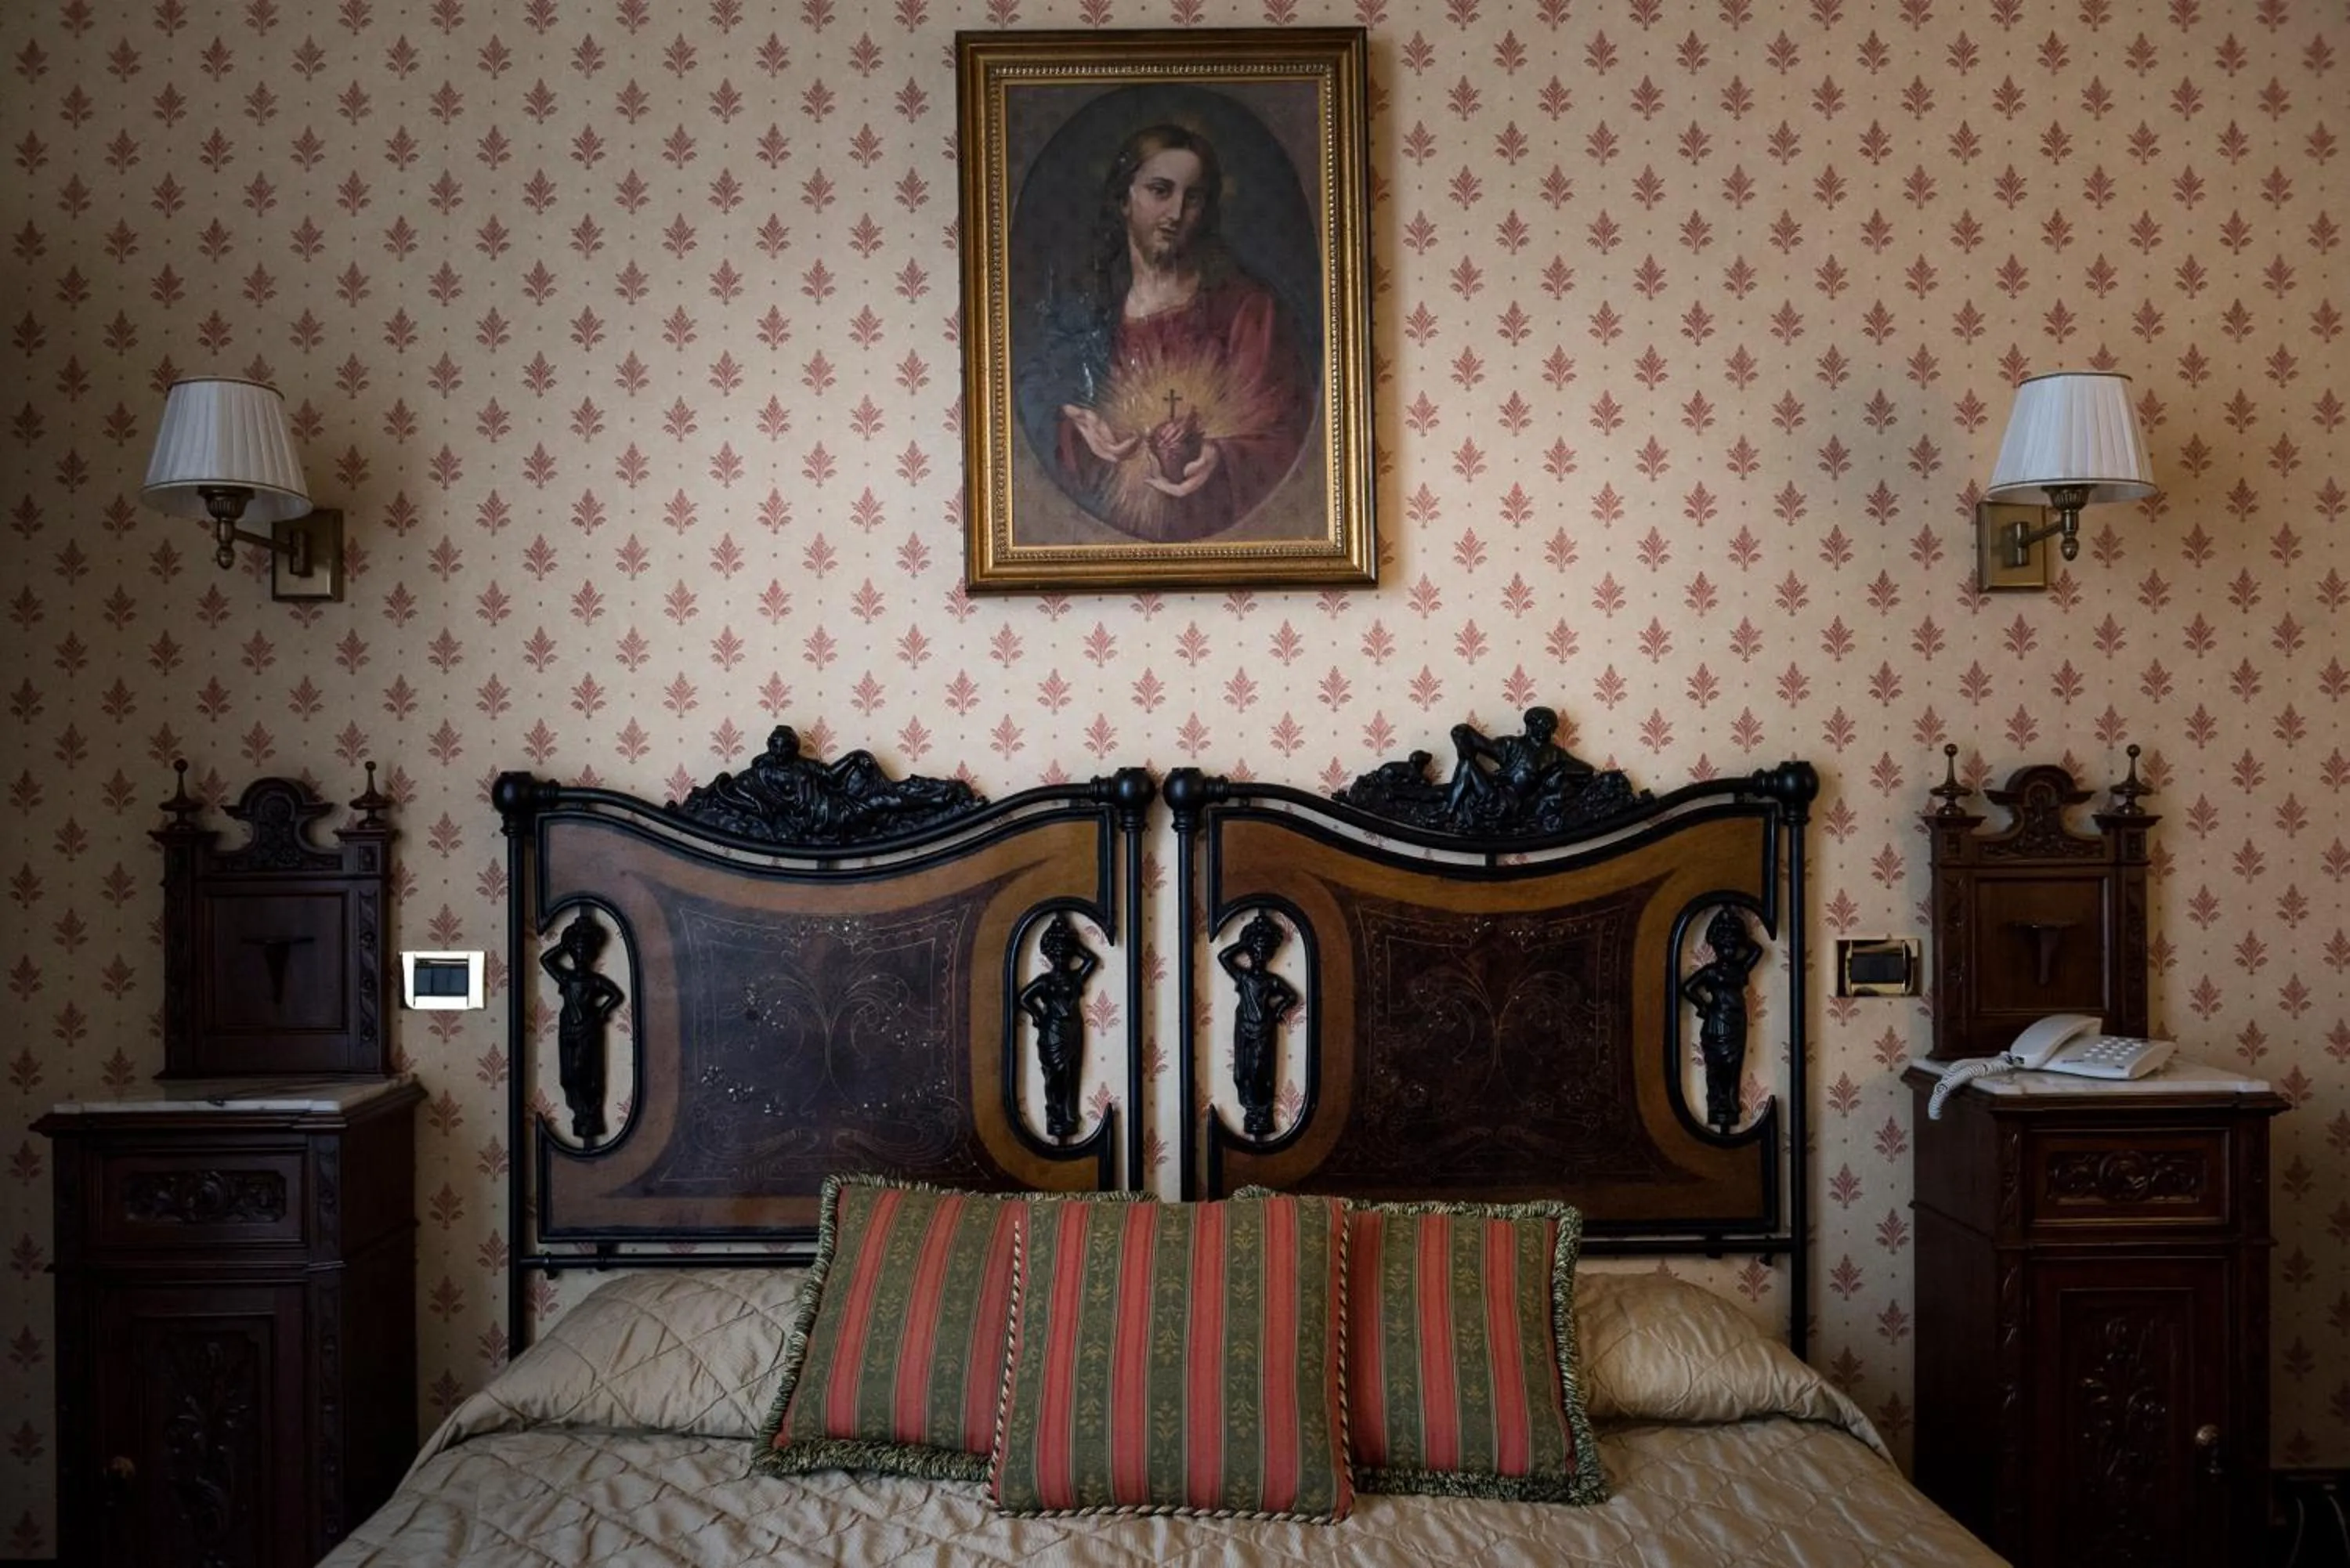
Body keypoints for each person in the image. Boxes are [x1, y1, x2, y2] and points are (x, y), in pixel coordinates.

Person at [1046, 124, 1312, 543]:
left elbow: (1287, 436)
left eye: (1194, 198)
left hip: (1220, 536)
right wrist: (1076, 426)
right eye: (1160, 190)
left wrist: (1219, 456)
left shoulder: (1246, 308)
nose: (1175, 213)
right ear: (1123, 199)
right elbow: (1048, 430)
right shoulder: (1091, 313)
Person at [541, 914, 624, 1142]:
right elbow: (546, 960)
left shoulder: (594, 980)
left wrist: (600, 1013)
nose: (579, 954)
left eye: (584, 950)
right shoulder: (567, 978)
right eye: (575, 949)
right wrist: (563, 944)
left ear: (592, 954)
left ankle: (589, 1116)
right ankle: (580, 1115)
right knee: (569, 1076)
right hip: (568, 1029)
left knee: (585, 1073)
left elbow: (615, 995)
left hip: (588, 1030)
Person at [1219, 910, 1299, 1140]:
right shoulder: (1243, 978)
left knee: (1260, 1070)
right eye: (1256, 949)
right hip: (1244, 1029)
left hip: (1264, 1030)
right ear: (1250, 950)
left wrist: (1276, 1013)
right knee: (1243, 1072)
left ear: (1271, 954)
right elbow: (1224, 957)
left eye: (1265, 951)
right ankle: (1252, 1113)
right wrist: (1243, 943)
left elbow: (1291, 997)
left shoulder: (1271, 980)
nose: (1260, 954)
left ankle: (1261, 1115)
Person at [1682, 907, 1762, 1133]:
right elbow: (1687, 988)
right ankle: (1717, 1106)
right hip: (1716, 1021)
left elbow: (1757, 950)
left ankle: (1730, 1104)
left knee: (1733, 1064)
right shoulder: (1711, 972)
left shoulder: (1740, 968)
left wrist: (1739, 931)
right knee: (1716, 1066)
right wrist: (1703, 1008)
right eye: (1724, 946)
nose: (1728, 950)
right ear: (1715, 947)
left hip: (1736, 1022)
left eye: (1733, 946)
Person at [1018, 914, 1097, 1140]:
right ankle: (1054, 1114)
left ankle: (1069, 1117)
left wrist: (1074, 944)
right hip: (1052, 1031)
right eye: (1058, 954)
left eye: (1066, 954)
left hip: (1073, 1030)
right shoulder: (1045, 981)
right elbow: (1024, 998)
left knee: (1072, 1072)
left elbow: (1091, 960)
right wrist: (1038, 1016)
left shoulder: (1074, 978)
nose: (1062, 958)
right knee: (1055, 1074)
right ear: (1050, 956)